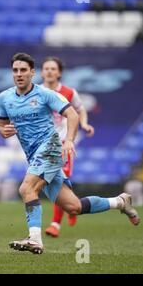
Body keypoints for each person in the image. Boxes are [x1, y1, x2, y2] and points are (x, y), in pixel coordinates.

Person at [0, 53, 139, 254]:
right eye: (15, 70)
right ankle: (120, 201)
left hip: (52, 147)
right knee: (73, 207)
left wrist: (69, 140)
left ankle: (35, 239)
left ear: (32, 73)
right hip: (33, 155)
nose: (19, 74)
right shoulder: (5, 98)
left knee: (26, 188)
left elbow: (72, 114)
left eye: (23, 70)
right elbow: (1, 126)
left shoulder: (45, 94)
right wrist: (3, 131)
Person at [40, 56, 95, 238]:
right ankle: (73, 207)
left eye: (53, 69)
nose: (49, 71)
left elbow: (80, 110)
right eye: (46, 68)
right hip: (42, 145)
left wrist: (85, 124)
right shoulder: (36, 92)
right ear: (41, 72)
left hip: (64, 144)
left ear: (59, 73)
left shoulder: (69, 92)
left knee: (59, 182)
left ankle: (55, 224)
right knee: (52, 182)